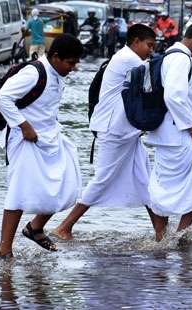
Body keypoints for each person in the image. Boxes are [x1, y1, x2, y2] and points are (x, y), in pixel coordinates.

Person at [52, 24, 159, 241]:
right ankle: (63, 227)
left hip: (125, 130)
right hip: (115, 130)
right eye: (149, 45)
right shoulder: (128, 58)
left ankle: (162, 234)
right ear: (136, 41)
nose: (151, 50)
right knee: (103, 179)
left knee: (145, 180)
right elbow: (159, 76)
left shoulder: (128, 59)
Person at [0, 34, 84, 260]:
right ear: (55, 57)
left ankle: (34, 228)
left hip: (49, 137)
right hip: (25, 140)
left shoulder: (56, 73)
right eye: (70, 63)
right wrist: (24, 126)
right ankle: (4, 249)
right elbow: (2, 98)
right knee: (19, 193)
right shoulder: (34, 72)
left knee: (66, 185)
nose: (73, 68)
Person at [145, 19, 192, 240]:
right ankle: (179, 235)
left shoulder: (169, 55)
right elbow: (173, 95)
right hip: (178, 135)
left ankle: (162, 237)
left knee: (163, 186)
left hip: (163, 134)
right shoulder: (182, 59)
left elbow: (172, 87)